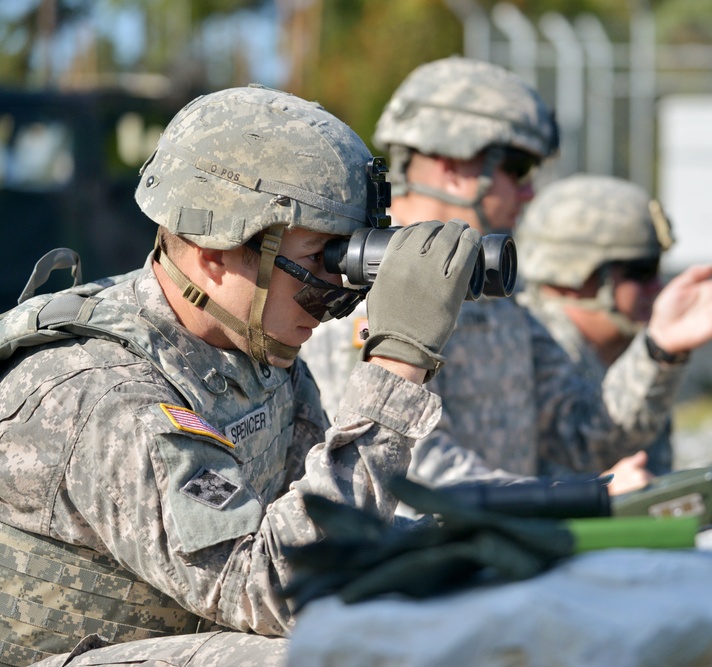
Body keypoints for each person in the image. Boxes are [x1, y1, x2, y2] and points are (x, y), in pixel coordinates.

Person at [0, 85, 482, 666]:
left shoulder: (249, 348)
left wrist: (477, 538)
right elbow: (282, 591)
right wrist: (397, 365)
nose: (338, 293)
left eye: (348, 258)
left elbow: (318, 529)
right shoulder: (106, 394)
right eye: (318, 262)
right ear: (213, 252)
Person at [300, 57, 712, 495]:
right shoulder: (371, 291)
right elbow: (402, 472)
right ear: (450, 165)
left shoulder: (489, 285)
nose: (529, 194)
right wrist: (567, 498)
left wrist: (660, 349)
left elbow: (581, 433)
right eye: (517, 168)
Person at [516, 173, 712, 471]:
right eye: (640, 271)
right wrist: (659, 350)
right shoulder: (524, 344)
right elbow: (586, 442)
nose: (656, 287)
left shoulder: (629, 350)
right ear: (574, 273)